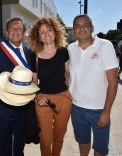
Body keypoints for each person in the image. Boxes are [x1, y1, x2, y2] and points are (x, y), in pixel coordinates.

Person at [67, 15, 118, 156]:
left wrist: (106, 111)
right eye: (77, 25)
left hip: (99, 110)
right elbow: (68, 73)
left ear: (92, 27)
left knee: (100, 150)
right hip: (76, 108)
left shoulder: (105, 46)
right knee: (83, 144)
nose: (81, 28)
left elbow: (113, 82)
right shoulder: (70, 48)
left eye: (85, 25)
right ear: (73, 30)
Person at [0, 17, 36, 156]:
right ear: (7, 33)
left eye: (19, 28)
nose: (15, 31)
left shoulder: (29, 52)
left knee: (20, 144)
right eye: (12, 28)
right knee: (5, 146)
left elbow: (33, 78)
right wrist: (8, 83)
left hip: (23, 108)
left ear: (24, 32)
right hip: (3, 107)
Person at [28, 17, 72, 156]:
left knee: (59, 137)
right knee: (45, 139)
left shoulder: (64, 52)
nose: (46, 34)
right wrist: (37, 96)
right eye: (42, 32)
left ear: (55, 32)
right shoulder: (34, 56)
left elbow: (68, 75)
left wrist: (71, 92)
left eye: (49, 30)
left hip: (64, 99)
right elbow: (33, 82)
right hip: (43, 101)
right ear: (38, 37)